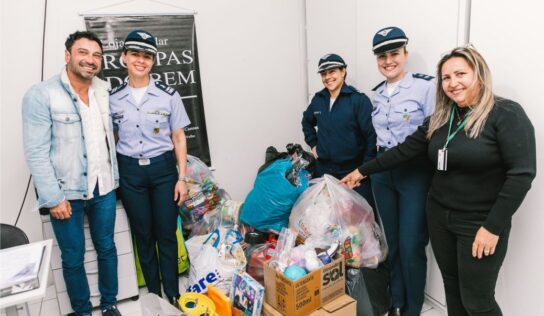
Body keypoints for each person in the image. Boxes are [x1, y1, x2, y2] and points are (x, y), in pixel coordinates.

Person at [341, 46, 536, 316]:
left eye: (460, 74)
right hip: (440, 217)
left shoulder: (506, 114)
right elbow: (404, 150)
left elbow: (522, 175)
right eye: (446, 77)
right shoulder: (442, 118)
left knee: (478, 301)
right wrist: (362, 171)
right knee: (452, 290)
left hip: (479, 223)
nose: (453, 83)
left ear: (479, 73)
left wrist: (493, 227)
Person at [22, 31, 121, 316]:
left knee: (107, 248)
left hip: (104, 187)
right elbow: (36, 152)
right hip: (66, 192)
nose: (90, 60)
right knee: (73, 257)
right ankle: (82, 311)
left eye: (96, 55)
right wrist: (53, 198)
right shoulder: (42, 94)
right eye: (83, 53)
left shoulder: (103, 89)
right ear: (68, 56)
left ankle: (110, 304)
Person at [109, 29, 190, 305]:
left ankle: (173, 292)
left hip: (163, 171)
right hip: (131, 174)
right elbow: (113, 139)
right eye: (135, 54)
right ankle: (154, 294)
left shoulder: (168, 95)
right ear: (124, 57)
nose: (141, 60)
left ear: (153, 61)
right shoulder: (113, 98)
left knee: (166, 233)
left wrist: (182, 178)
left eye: (147, 56)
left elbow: (179, 138)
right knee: (143, 235)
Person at [369, 26, 435, 316]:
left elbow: (434, 133)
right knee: (392, 242)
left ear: (405, 54)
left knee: (411, 244)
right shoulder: (374, 95)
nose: (388, 61)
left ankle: (412, 308)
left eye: (394, 53)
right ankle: (396, 302)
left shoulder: (426, 87)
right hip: (383, 174)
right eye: (382, 56)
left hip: (413, 173)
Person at [301, 53, 376, 207]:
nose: (328, 77)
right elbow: (306, 122)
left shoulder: (359, 100)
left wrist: (362, 171)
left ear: (343, 71)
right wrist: (313, 144)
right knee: (325, 220)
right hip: (324, 172)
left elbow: (371, 138)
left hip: (352, 173)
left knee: (357, 224)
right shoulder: (318, 99)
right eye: (324, 73)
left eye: (332, 71)